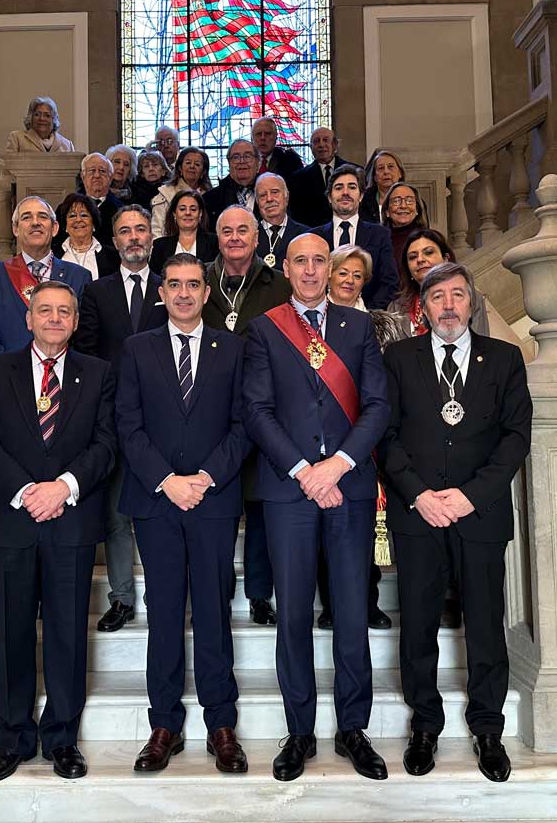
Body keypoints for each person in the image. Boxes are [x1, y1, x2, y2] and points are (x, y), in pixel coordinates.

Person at [243, 233, 390, 783]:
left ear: (332, 268)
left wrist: (341, 465)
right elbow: (256, 411)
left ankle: (355, 728)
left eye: (319, 261)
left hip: (348, 487)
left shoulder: (358, 327)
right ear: (286, 267)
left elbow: (378, 405)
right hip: (290, 490)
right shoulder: (265, 327)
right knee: (295, 615)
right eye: (300, 261)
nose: (309, 270)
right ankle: (298, 730)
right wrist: (307, 471)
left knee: (352, 611)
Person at [378, 261, 532, 784]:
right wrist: (420, 495)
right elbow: (386, 435)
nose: (448, 305)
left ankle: (488, 727)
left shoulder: (505, 360)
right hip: (418, 514)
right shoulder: (398, 359)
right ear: (423, 307)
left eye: (458, 295)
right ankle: (425, 724)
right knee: (418, 623)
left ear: (472, 303)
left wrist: (468, 496)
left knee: (486, 623)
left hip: (480, 514)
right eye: (437, 296)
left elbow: (515, 438)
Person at [0, 280, 117, 783]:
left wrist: (64, 487)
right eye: (45, 310)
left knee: (67, 634)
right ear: (28, 318)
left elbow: (105, 444)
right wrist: (27, 490)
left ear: (75, 322)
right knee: (10, 634)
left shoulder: (98, 374)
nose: (55, 319)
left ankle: (61, 739)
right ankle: (12, 739)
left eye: (65, 312)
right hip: (10, 519)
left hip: (70, 519)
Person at [115, 253, 251, 775]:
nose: (184, 293)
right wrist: (168, 481)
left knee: (215, 610)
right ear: (161, 292)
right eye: (174, 284)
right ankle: (164, 725)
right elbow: (128, 424)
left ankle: (221, 724)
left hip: (214, 500)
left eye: (194, 284)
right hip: (156, 501)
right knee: (165, 611)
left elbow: (243, 423)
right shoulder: (136, 348)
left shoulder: (233, 349)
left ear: (207, 291)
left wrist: (206, 478)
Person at [75, 206, 167, 633]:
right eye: (125, 231)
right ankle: (122, 598)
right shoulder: (96, 292)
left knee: (158, 511)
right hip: (112, 419)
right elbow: (89, 355)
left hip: (162, 421)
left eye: (140, 230)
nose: (133, 238)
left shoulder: (174, 288)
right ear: (114, 242)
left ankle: (163, 593)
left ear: (152, 236)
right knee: (115, 515)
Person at [202, 206, 291, 627]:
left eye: (243, 230)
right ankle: (215, 586)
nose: (235, 237)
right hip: (209, 410)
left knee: (258, 505)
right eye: (226, 231)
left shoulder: (279, 285)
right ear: (216, 238)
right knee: (217, 502)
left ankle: (259, 593)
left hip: (264, 407)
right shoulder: (200, 280)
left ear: (258, 238)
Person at [315, 244, 407, 631]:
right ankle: (332, 604)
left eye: (357, 275)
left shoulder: (380, 324)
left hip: (367, 439)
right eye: (343, 273)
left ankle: (367, 601)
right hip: (323, 441)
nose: (350, 281)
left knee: (366, 525)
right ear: (329, 276)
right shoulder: (310, 326)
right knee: (324, 525)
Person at [0, 195, 91, 358]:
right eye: (27, 217)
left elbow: (85, 338)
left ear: (54, 228)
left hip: (62, 379)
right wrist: (8, 372)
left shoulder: (79, 277)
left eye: (42, 216)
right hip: (7, 378)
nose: (35, 222)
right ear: (15, 229)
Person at [388, 228, 511, 340]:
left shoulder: (470, 298)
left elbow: (480, 347)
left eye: (429, 252)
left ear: (446, 259)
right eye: (412, 257)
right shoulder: (396, 308)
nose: (420, 259)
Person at [311, 165, 398, 310]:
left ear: (361, 196)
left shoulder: (380, 234)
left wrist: (367, 314)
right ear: (329, 197)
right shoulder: (315, 237)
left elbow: (389, 280)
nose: (345, 192)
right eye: (338, 188)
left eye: (352, 187)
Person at [288, 127, 351, 227]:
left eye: (325, 140)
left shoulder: (353, 172)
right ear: (311, 147)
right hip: (313, 232)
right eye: (316, 141)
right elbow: (297, 214)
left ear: (334, 145)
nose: (321, 145)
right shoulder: (298, 178)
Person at [54, 193, 120, 281]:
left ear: (93, 223)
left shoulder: (113, 256)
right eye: (72, 216)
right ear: (65, 225)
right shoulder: (53, 254)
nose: (78, 220)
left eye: (84, 215)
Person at [150, 189, 218, 274]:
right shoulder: (160, 246)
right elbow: (155, 280)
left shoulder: (214, 242)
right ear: (174, 214)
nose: (188, 213)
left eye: (193, 209)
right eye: (182, 209)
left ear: (200, 214)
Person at [151, 146, 212, 237]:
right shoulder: (166, 193)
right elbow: (157, 231)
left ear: (203, 172)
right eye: (188, 163)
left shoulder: (211, 195)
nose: (192, 166)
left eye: (197, 164)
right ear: (180, 168)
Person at [253, 172, 309, 273]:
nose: (269, 199)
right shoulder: (250, 236)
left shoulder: (306, 235)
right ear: (257, 202)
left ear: (286, 197)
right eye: (263, 195)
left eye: (274, 192)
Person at [204, 139, 258, 222]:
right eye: (236, 157)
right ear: (229, 163)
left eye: (247, 156)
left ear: (257, 162)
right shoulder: (209, 199)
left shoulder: (272, 193)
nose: (242, 161)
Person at [76, 153, 123, 246]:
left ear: (111, 177)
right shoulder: (68, 208)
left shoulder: (121, 210)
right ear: (83, 176)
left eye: (102, 171)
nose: (97, 175)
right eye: (92, 170)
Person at [381, 181, 430, 265]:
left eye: (409, 200)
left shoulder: (430, 239)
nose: (403, 206)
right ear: (387, 211)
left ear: (417, 210)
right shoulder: (377, 239)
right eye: (396, 201)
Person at [5, 97, 75, 153]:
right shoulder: (17, 138)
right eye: (37, 114)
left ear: (54, 120)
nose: (42, 118)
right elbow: (8, 168)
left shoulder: (67, 145)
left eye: (47, 115)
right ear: (30, 117)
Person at [359, 149, 405, 223]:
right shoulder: (363, 200)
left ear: (400, 173)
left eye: (390, 167)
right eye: (381, 168)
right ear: (374, 177)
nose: (386, 172)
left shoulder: (413, 198)